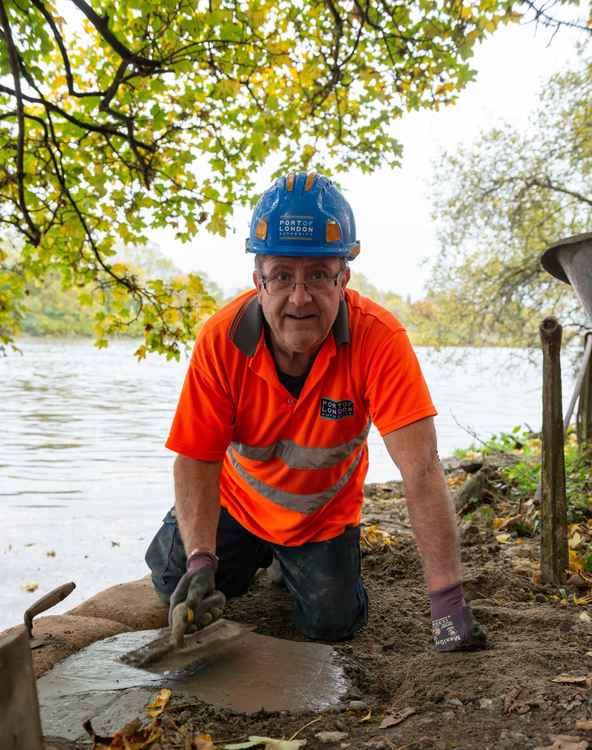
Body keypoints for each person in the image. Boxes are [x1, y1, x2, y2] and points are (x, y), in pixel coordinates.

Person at [145, 172, 486, 651]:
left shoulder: (380, 341)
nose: (300, 297)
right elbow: (196, 457)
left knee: (333, 625)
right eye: (283, 275)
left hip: (320, 518)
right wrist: (202, 559)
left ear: (343, 279)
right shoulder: (220, 340)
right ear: (258, 281)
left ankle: (291, 566)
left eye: (319, 276)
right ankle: (245, 561)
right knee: (170, 580)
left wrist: (447, 603)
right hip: (236, 507)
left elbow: (423, 470)